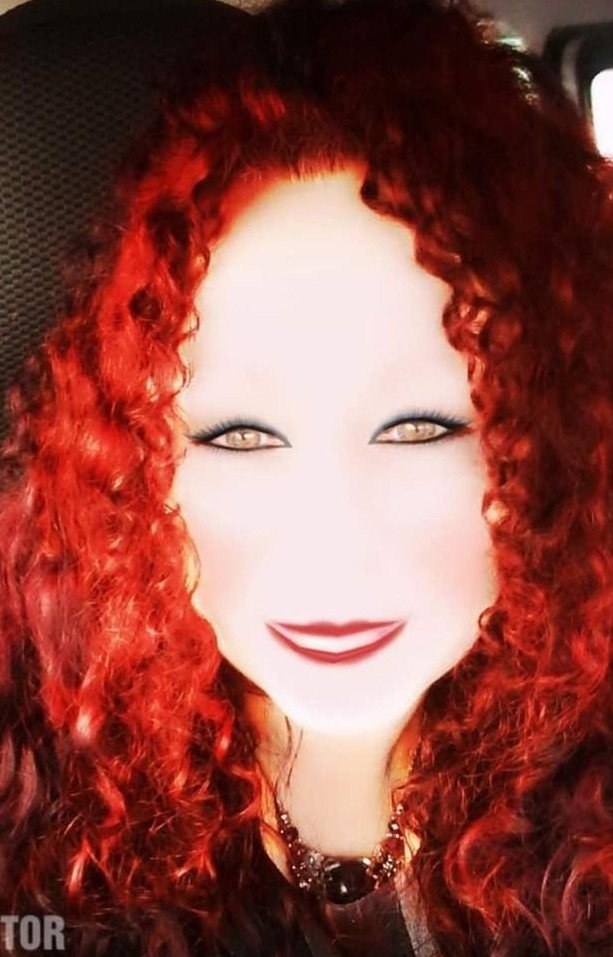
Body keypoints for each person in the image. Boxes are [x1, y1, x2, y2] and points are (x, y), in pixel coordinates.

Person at [0, 0, 612, 954]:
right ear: (125, 461)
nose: (331, 554)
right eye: (237, 435)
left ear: (557, 439)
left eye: (421, 428)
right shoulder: (32, 783)